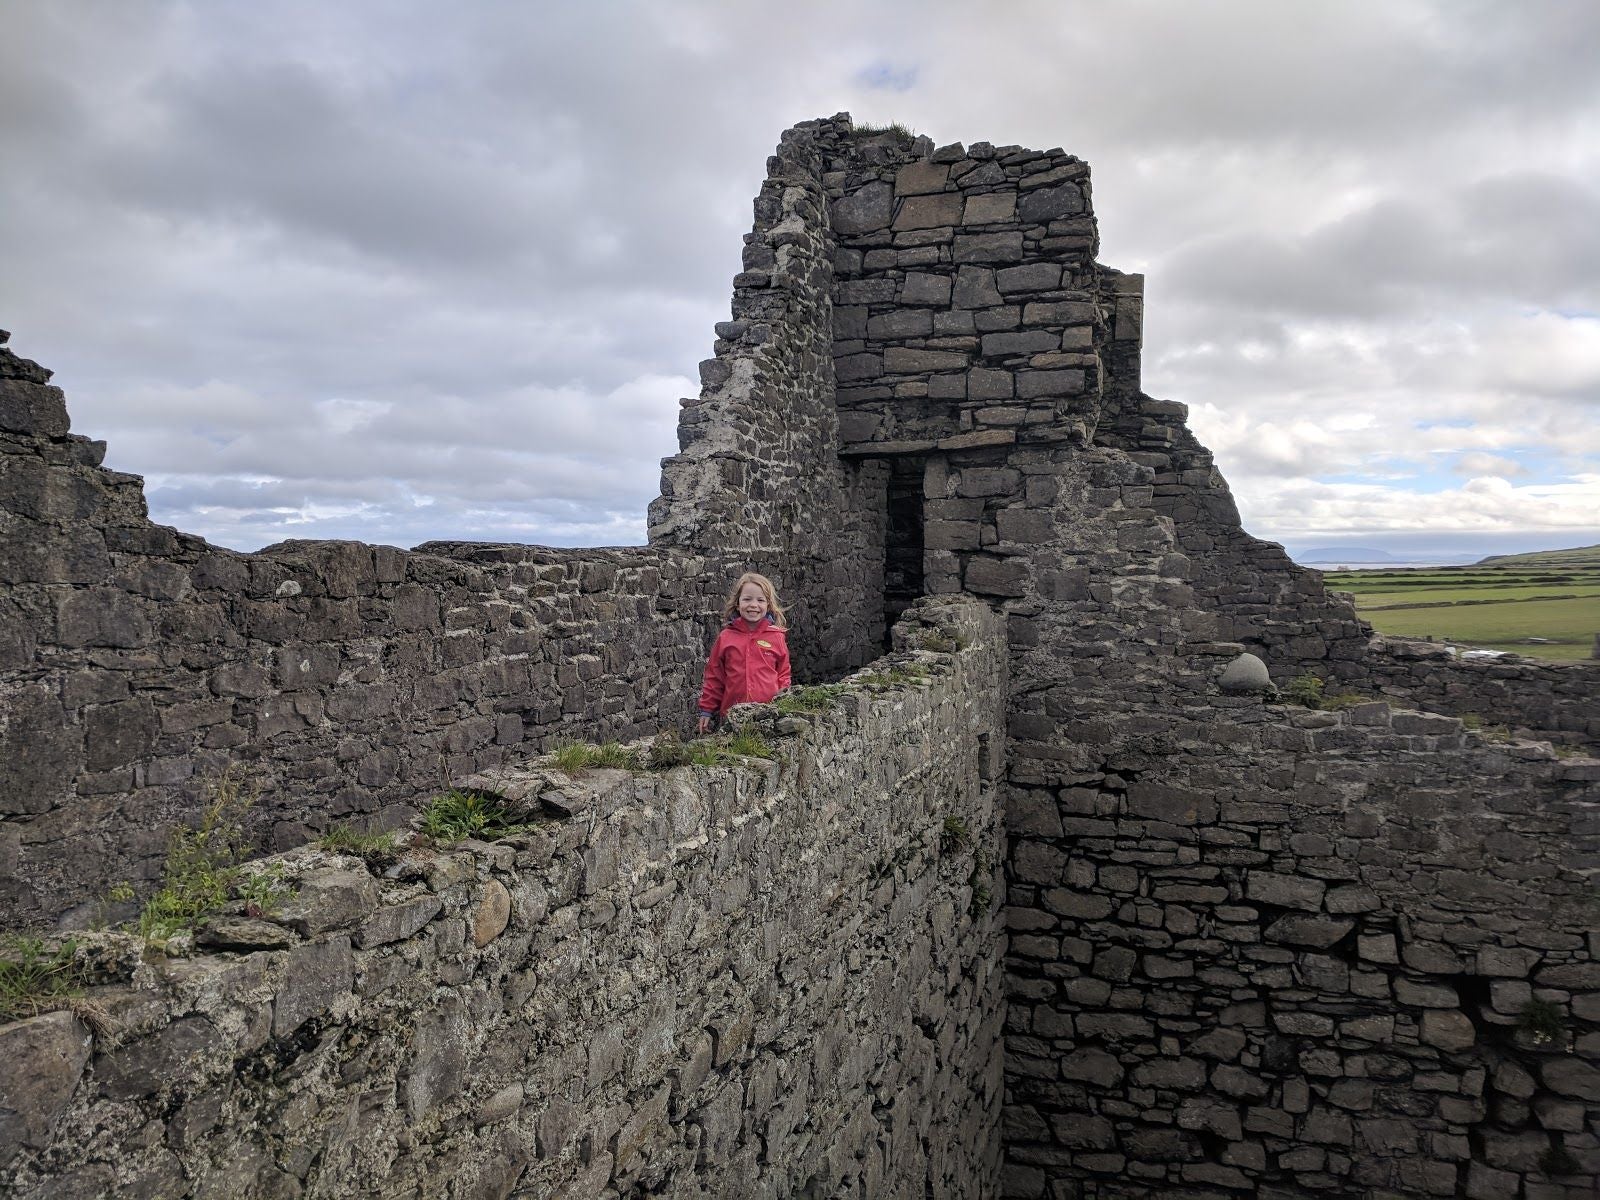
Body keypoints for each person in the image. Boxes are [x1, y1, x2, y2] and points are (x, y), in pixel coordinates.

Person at [697, 572, 791, 733]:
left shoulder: (776, 636)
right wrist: (707, 709)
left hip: (768, 715)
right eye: (747, 599)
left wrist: (783, 700)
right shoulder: (726, 637)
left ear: (768, 605)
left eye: (760, 600)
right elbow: (714, 677)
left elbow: (783, 673)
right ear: (737, 603)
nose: (753, 605)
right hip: (731, 716)